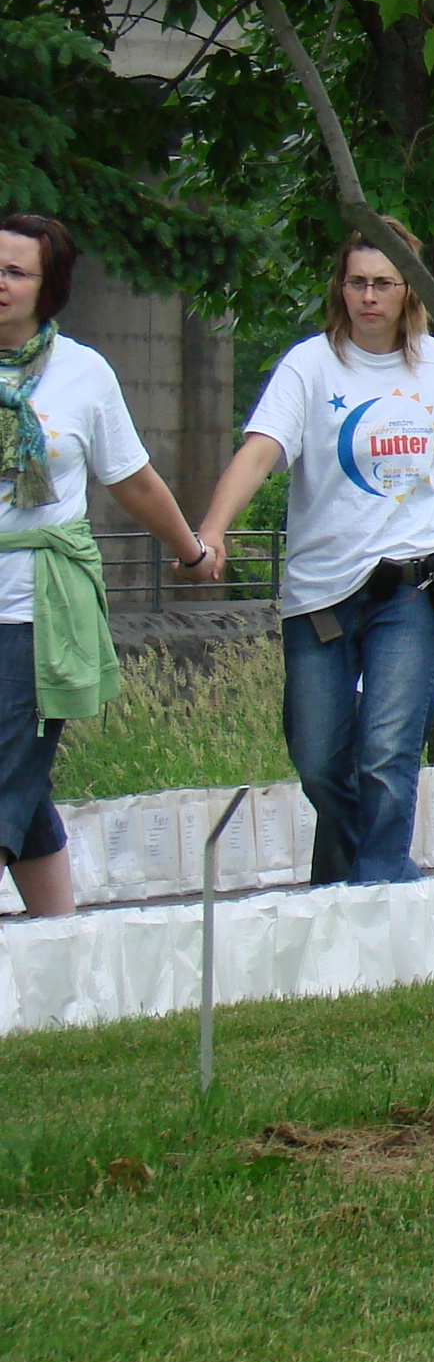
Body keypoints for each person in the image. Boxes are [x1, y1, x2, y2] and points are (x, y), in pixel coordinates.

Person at [198, 224, 434, 884]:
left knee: (387, 751)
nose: (369, 297)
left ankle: (376, 886)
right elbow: (263, 449)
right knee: (320, 758)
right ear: (340, 287)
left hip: (411, 584)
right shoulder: (310, 364)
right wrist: (214, 527)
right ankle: (387, 873)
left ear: (410, 290)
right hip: (321, 592)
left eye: (383, 283)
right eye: (358, 282)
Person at [0, 214, 216, 918]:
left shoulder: (82, 373)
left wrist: (191, 550)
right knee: (21, 792)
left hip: (37, 610)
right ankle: (65, 947)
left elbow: (133, 480)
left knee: (6, 774)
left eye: (15, 272)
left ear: (48, 287)